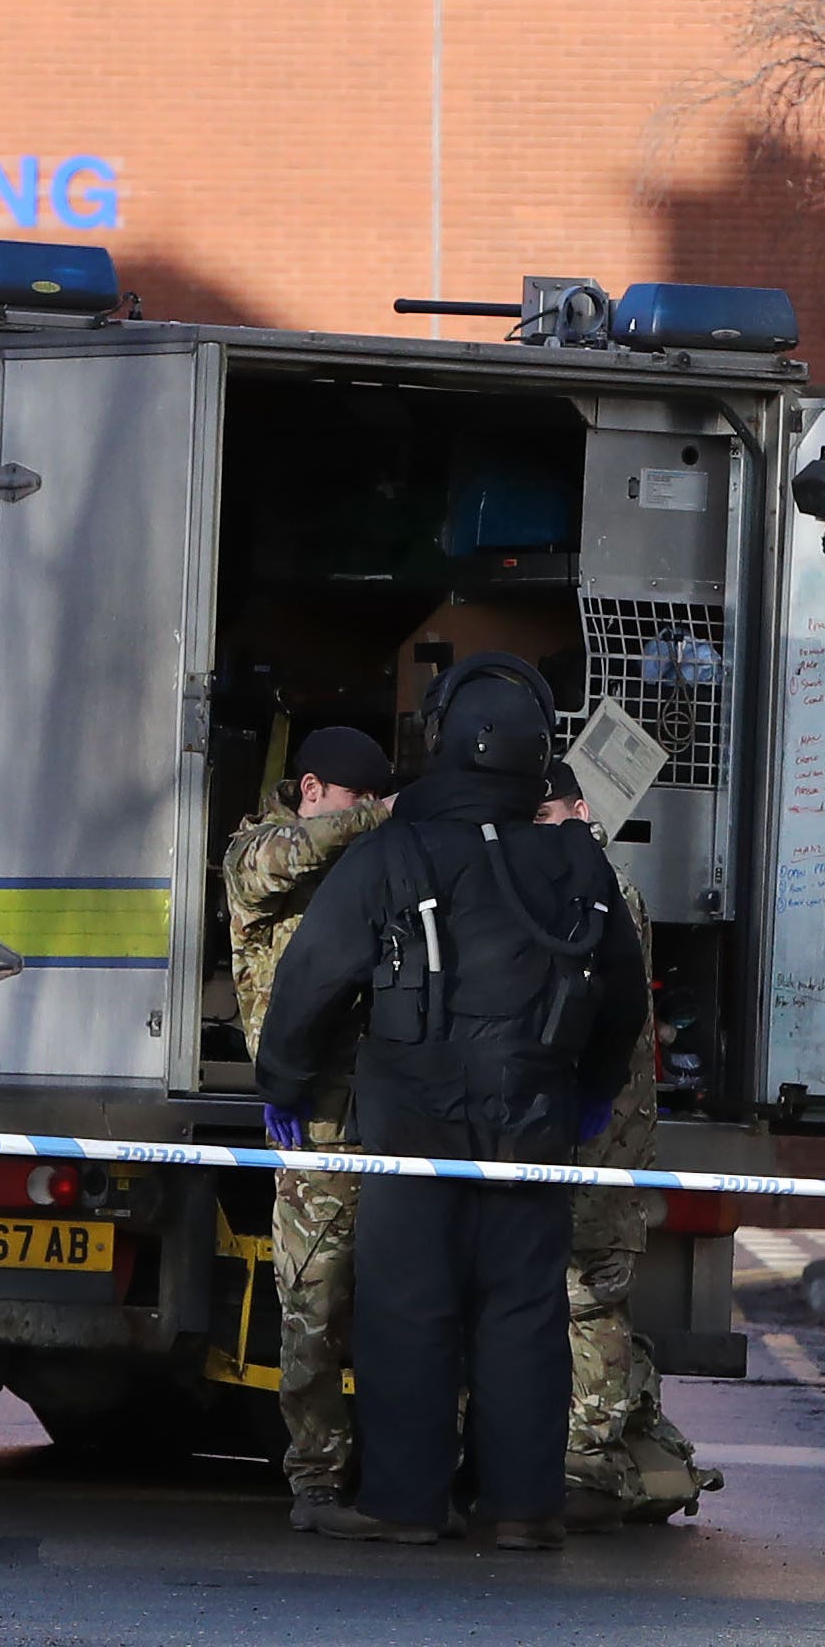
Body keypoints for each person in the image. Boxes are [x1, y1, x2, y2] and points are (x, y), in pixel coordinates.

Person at [254, 654, 648, 1551]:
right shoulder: (577, 865)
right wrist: (589, 1094)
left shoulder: (394, 852)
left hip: (412, 1132)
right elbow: (623, 997)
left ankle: (404, 1505)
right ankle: (520, 1509)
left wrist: (283, 1081)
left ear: (440, 739)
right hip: (534, 1127)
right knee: (523, 1318)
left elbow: (314, 974)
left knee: (408, 1314)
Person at [533, 764, 722, 1528]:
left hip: (604, 1142)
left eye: (547, 816)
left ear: (581, 811)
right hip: (579, 1136)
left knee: (591, 1297)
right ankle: (597, 1442)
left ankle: (590, 1457)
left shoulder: (605, 895)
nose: (539, 831)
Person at [220, 723, 397, 1529]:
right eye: (351, 802)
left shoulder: (360, 865)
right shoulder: (258, 852)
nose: (359, 818)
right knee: (313, 1310)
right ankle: (317, 1483)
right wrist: (387, 813)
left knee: (396, 1310)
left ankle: (397, 1474)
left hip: (384, 1115)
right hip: (315, 1123)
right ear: (314, 789)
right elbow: (298, 851)